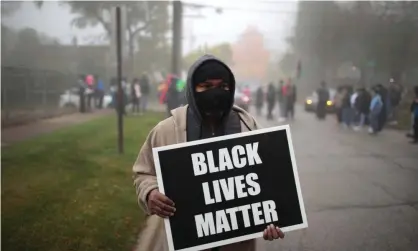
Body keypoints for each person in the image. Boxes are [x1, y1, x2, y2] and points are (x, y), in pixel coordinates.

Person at [132, 55, 285, 251]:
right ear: (192, 89)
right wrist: (150, 193)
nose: (215, 93)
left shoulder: (249, 128)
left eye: (223, 86)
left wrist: (272, 219)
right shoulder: (166, 131)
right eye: (206, 86)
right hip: (184, 241)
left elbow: (271, 181)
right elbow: (143, 172)